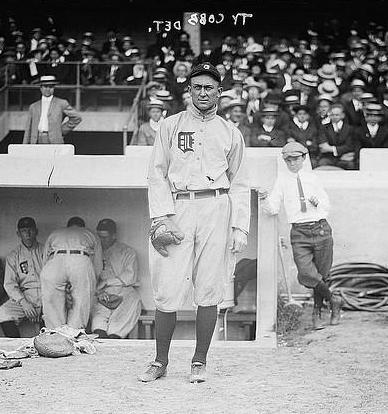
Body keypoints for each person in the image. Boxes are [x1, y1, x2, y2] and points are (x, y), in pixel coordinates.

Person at [139, 62, 250, 383]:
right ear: (189, 90)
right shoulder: (170, 126)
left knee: (209, 286)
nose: (203, 92)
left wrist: (240, 226)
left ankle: (199, 360)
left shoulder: (230, 131)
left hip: (217, 205)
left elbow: (240, 181)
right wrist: (161, 217)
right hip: (178, 207)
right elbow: (156, 173)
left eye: (209, 87)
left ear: (219, 92)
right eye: (197, 87)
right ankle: (160, 361)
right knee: (168, 286)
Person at [258, 142, 343, 330]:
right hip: (299, 232)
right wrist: (264, 198)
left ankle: (317, 314)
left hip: (320, 229)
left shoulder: (313, 178)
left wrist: (317, 202)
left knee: (322, 275)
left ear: (304, 158)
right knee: (307, 273)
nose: (292, 163)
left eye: (296, 159)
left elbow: (326, 205)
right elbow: (273, 208)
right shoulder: (281, 180)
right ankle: (334, 300)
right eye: (288, 160)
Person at [40, 216, 103, 329]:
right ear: (82, 227)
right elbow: (97, 266)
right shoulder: (89, 233)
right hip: (80, 259)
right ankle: (75, 333)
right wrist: (91, 281)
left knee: (52, 306)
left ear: (67, 227)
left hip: (55, 260)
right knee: (81, 303)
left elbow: (45, 259)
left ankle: (55, 334)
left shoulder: (56, 233)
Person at [91, 219, 142, 339]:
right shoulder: (94, 252)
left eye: (105, 237)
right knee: (99, 315)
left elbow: (130, 277)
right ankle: (101, 335)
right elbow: (90, 277)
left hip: (123, 290)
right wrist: (98, 291)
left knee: (125, 312)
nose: (102, 241)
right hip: (102, 292)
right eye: (100, 237)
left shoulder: (127, 251)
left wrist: (108, 282)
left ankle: (115, 336)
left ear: (114, 235)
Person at [0, 218, 44, 337]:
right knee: (3, 312)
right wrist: (24, 302)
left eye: (30, 230)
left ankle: (49, 345)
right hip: (26, 295)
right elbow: (9, 284)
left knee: (55, 314)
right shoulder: (13, 256)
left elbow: (56, 279)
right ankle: (17, 348)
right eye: (24, 230)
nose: (28, 234)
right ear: (18, 233)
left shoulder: (46, 251)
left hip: (47, 294)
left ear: (36, 231)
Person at [23, 75, 82, 144]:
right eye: (45, 86)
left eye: (50, 87)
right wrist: (24, 145)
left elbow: (77, 117)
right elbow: (28, 128)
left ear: (54, 88)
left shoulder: (61, 103)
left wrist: (61, 130)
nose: (48, 89)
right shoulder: (33, 106)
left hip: (54, 139)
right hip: (36, 140)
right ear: (41, 88)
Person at [317, 103, 356, 169]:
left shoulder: (350, 129)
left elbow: (349, 146)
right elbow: (323, 147)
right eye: (332, 115)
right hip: (328, 157)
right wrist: (330, 149)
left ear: (342, 115)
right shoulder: (324, 128)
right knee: (322, 163)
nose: (334, 117)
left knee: (350, 165)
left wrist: (331, 149)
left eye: (337, 115)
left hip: (345, 157)